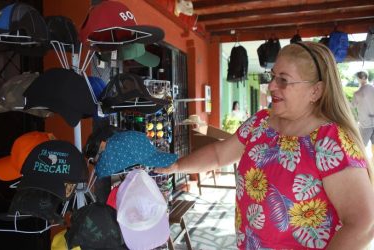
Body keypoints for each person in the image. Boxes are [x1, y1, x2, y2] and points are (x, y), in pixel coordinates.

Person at [156, 42, 374, 249]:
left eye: (283, 80)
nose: (271, 86)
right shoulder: (260, 123)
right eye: (273, 77)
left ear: (315, 91)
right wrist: (176, 166)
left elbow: (363, 224)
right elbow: (218, 154)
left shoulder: (330, 141)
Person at [352, 70, 374, 152]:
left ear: (362, 78)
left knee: (360, 147)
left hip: (365, 124)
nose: (357, 80)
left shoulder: (358, 93)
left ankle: (363, 164)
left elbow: (352, 106)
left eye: (357, 78)